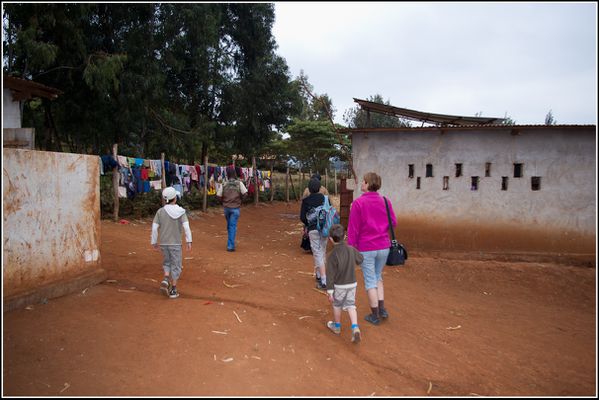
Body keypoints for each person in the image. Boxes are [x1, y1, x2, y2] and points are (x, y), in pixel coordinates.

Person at [347, 172, 397, 325]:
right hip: (384, 246)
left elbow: (353, 229)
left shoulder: (358, 203)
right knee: (377, 276)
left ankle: (374, 315)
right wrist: (380, 228)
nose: (362, 184)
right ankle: (382, 309)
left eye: (363, 181)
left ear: (368, 184)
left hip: (366, 247)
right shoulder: (385, 201)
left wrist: (351, 247)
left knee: (370, 280)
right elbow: (393, 222)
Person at [151, 186, 193, 299]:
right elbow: (186, 227)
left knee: (167, 262)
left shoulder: (160, 212)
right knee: (176, 265)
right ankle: (173, 289)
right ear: (175, 198)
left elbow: (154, 228)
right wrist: (189, 240)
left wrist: (154, 242)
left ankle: (165, 279)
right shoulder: (181, 212)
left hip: (163, 243)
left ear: (165, 199)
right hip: (176, 243)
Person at [325, 224, 364, 343]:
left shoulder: (331, 256)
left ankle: (337, 326)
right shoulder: (351, 249)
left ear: (330, 239)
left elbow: (330, 276)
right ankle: (355, 327)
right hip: (352, 284)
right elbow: (360, 259)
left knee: (337, 305)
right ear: (345, 236)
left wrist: (330, 292)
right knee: (351, 305)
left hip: (339, 286)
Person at [300, 178, 328, 289]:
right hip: (325, 229)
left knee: (317, 253)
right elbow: (329, 211)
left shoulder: (306, 201)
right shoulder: (325, 198)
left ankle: (324, 280)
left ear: (309, 189)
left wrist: (308, 223)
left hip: (313, 229)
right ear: (320, 188)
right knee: (322, 251)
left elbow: (302, 217)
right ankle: (318, 273)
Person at [216, 167, 248, 252]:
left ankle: (231, 243)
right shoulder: (239, 183)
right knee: (232, 226)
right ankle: (230, 246)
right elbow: (245, 194)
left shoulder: (224, 184)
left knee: (230, 225)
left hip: (226, 208)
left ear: (227, 174)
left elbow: (218, 196)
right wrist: (240, 201)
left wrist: (223, 202)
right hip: (236, 208)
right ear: (234, 174)